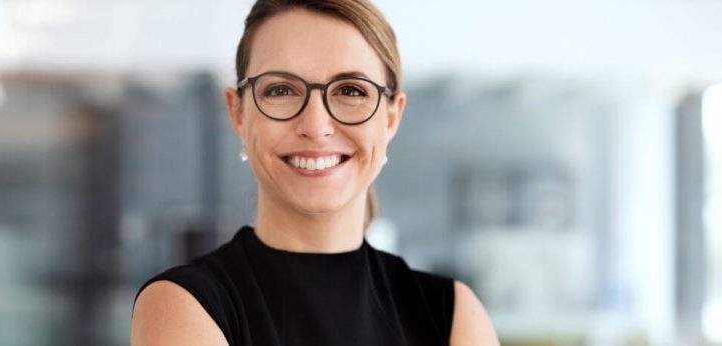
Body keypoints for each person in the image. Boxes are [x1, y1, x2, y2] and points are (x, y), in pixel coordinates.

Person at [130, 0, 499, 344]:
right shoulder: (182, 304)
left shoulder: (451, 312)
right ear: (238, 113)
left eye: (351, 91)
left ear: (391, 117)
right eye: (280, 89)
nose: (316, 126)